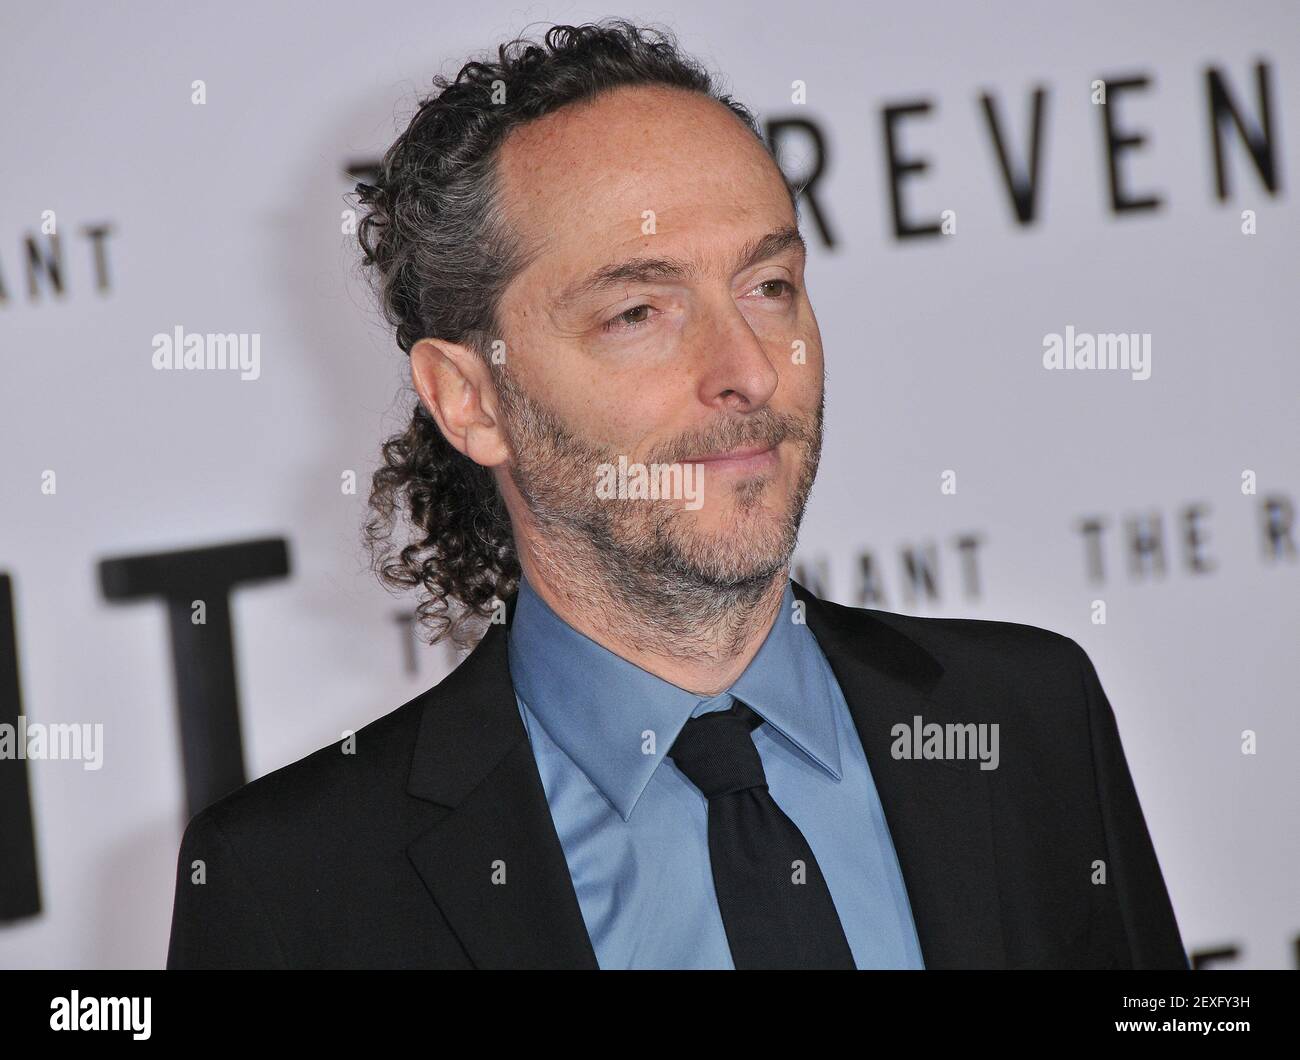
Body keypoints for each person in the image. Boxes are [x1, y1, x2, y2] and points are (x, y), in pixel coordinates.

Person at [166, 19, 1188, 970]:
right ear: (470, 398)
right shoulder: (292, 892)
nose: (744, 366)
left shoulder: (1027, 717)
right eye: (637, 311)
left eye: (768, 286)